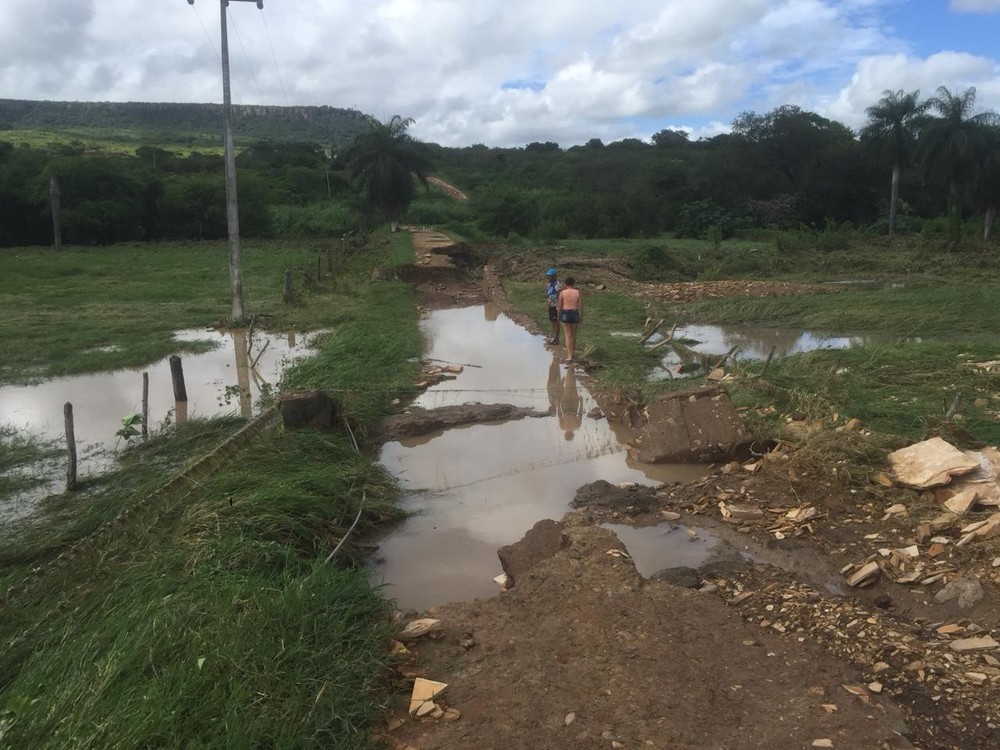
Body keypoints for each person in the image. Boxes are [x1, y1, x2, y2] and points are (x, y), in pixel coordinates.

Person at [556, 275, 582, 363]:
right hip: (575, 313)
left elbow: (560, 305)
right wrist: (581, 317)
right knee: (574, 335)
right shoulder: (577, 292)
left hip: (565, 313)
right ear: (573, 284)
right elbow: (581, 306)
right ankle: (573, 353)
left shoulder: (563, 293)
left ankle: (569, 356)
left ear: (566, 284)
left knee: (567, 335)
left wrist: (558, 315)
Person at [545, 268, 561, 345]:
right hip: (551, 305)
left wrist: (558, 305)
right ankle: (553, 336)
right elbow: (548, 295)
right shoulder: (549, 284)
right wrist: (547, 303)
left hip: (555, 306)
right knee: (552, 321)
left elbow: (559, 295)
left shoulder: (557, 284)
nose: (548, 277)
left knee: (556, 322)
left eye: (550, 276)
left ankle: (556, 338)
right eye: (547, 275)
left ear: (554, 276)